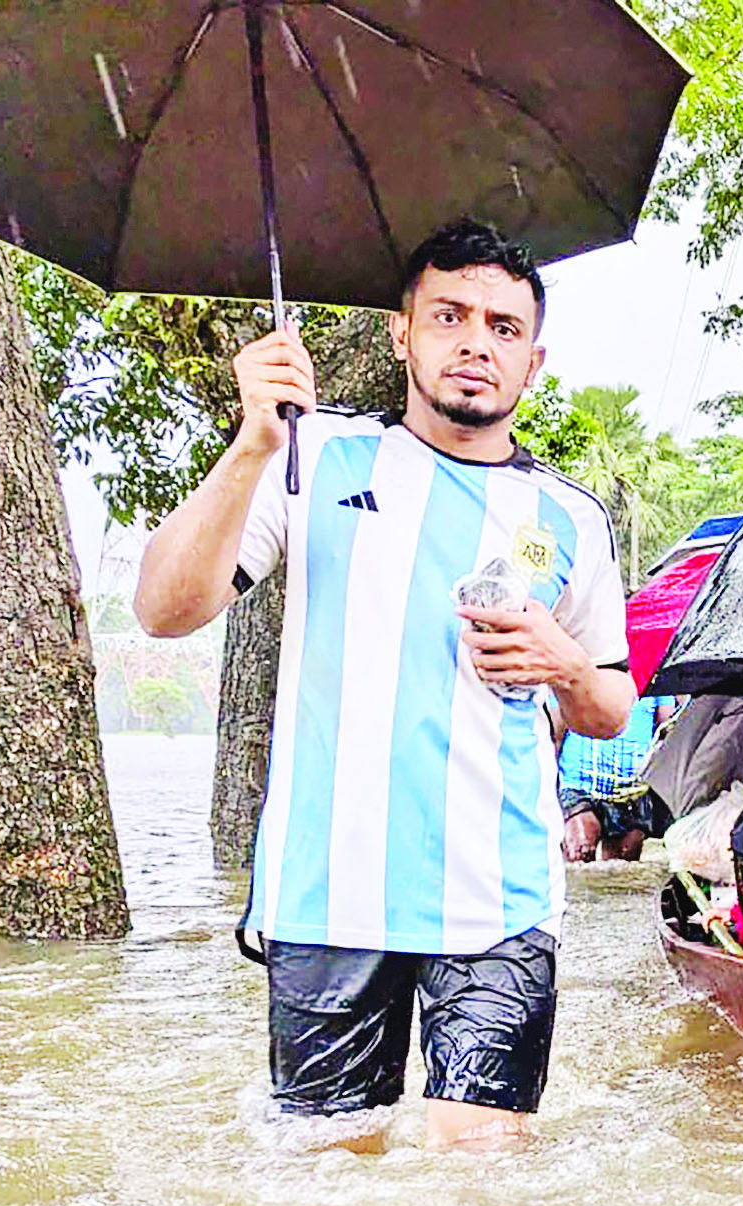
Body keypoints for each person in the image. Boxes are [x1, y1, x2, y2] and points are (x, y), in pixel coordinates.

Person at [132, 219, 635, 1152]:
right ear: (402, 333)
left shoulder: (570, 517)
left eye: (503, 326)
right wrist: (249, 445)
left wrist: (560, 662)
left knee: (476, 1181)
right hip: (328, 892)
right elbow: (164, 609)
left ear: (533, 361)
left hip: (501, 900)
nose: (476, 342)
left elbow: (610, 706)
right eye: (449, 316)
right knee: (335, 1184)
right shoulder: (312, 458)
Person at [557, 693, 680, 862]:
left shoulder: (656, 680)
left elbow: (667, 730)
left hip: (631, 789)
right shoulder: (578, 674)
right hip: (580, 782)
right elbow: (556, 731)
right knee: (580, 850)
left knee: (623, 861)